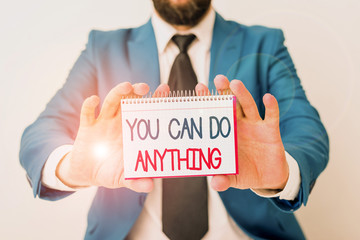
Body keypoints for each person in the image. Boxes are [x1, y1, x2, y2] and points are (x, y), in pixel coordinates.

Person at [19, 0, 329, 239]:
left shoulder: (264, 43)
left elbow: (307, 129)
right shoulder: (103, 48)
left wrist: (282, 172)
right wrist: (70, 166)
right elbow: (43, 130)